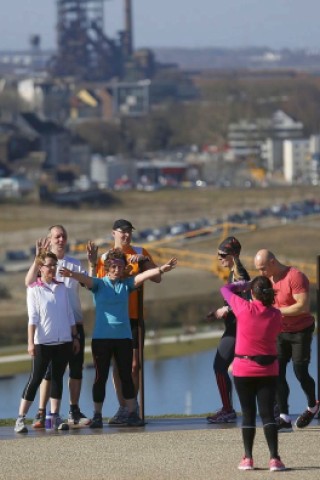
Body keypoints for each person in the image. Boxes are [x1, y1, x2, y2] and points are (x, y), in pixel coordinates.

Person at [59, 247, 177, 428]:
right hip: (101, 339)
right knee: (100, 377)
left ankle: (132, 413)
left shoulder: (127, 285)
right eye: (113, 266)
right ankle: (97, 415)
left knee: (126, 377)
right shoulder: (99, 284)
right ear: (107, 268)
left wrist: (161, 269)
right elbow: (85, 279)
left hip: (123, 339)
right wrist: (71, 274)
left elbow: (143, 277)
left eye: (120, 267)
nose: (117, 270)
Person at [87, 218, 162, 424]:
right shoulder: (105, 258)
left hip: (135, 316)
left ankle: (132, 407)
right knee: (117, 366)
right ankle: (123, 407)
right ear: (114, 234)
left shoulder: (140, 251)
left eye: (129, 232)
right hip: (113, 318)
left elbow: (157, 277)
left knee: (134, 365)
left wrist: (143, 263)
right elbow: (98, 283)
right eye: (122, 232)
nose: (126, 235)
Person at [25, 225, 90, 427]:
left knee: (76, 369)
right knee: (49, 373)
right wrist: (37, 261)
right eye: (57, 236)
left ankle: (73, 410)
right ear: (50, 239)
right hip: (52, 328)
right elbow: (29, 282)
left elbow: (89, 283)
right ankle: (42, 412)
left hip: (74, 324)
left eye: (64, 236)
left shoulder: (73, 263)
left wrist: (83, 269)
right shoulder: (44, 264)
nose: (61, 239)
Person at [221, 276, 286, 471]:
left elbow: (225, 289)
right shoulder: (276, 315)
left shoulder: (243, 308)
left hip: (244, 369)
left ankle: (248, 458)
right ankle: (274, 459)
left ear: (252, 292)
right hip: (268, 369)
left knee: (248, 414)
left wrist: (243, 284)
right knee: (268, 414)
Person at [15, 251, 80, 434]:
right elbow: (33, 318)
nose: (52, 268)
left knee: (57, 378)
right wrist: (30, 342)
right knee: (35, 379)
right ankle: (20, 418)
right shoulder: (34, 289)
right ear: (40, 268)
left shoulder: (61, 288)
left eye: (54, 265)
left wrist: (74, 337)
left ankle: (53, 417)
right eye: (49, 265)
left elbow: (69, 315)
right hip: (42, 342)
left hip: (64, 341)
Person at [254, 249, 319, 431]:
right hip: (280, 331)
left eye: (263, 269)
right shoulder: (268, 281)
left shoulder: (295, 276)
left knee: (300, 372)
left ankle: (313, 406)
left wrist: (275, 312)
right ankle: (284, 417)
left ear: (273, 262)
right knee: (276, 372)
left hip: (301, 331)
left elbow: (303, 306)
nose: (261, 273)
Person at [206, 236, 250, 423]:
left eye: (223, 254)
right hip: (234, 327)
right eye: (218, 255)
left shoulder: (240, 275)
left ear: (234, 255)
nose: (219, 258)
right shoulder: (233, 273)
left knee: (220, 366)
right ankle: (229, 408)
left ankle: (228, 409)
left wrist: (227, 309)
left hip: (238, 329)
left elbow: (249, 303)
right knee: (243, 370)